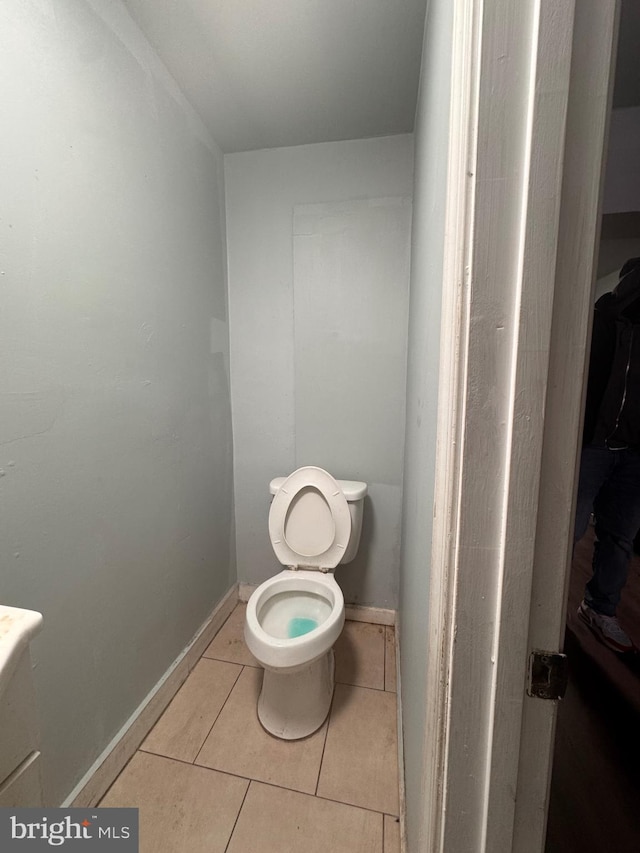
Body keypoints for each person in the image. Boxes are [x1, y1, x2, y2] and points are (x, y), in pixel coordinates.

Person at [574, 257, 640, 654]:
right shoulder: (602, 321)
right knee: (568, 531)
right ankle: (542, 614)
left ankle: (601, 608)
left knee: (621, 537)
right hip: (592, 445)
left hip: (634, 452)